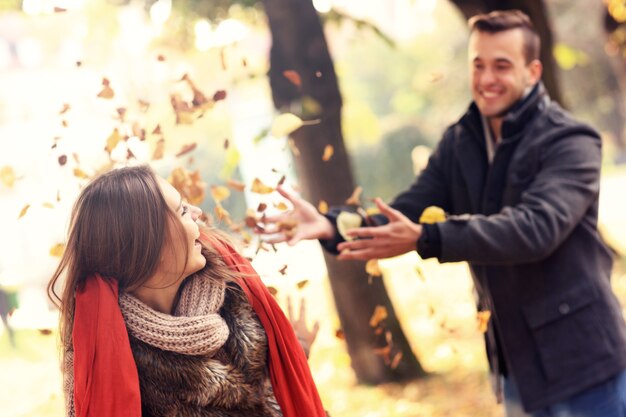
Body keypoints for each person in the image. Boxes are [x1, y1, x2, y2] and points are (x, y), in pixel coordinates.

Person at [259, 9, 626, 417]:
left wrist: (427, 237)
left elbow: (536, 228)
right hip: (516, 365)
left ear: (533, 71)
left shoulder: (571, 141)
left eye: (501, 66)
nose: (486, 79)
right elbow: (405, 210)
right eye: (478, 64)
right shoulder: (460, 141)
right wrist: (331, 225)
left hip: (586, 360)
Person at [47, 165, 326, 417]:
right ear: (148, 246)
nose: (198, 213)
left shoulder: (237, 292)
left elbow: (265, 398)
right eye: (182, 210)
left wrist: (292, 354)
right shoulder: (104, 360)